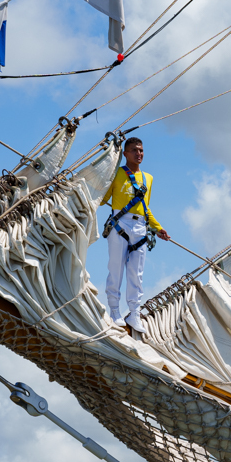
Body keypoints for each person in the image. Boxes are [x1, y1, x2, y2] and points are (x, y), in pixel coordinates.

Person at [100, 138, 170, 337]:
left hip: (140, 226)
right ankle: (114, 310)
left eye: (141, 150)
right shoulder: (116, 174)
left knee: (136, 272)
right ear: (125, 154)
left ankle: (134, 313)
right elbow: (102, 198)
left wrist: (157, 228)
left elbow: (145, 208)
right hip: (119, 223)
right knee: (116, 267)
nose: (139, 154)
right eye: (134, 150)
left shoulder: (148, 178)